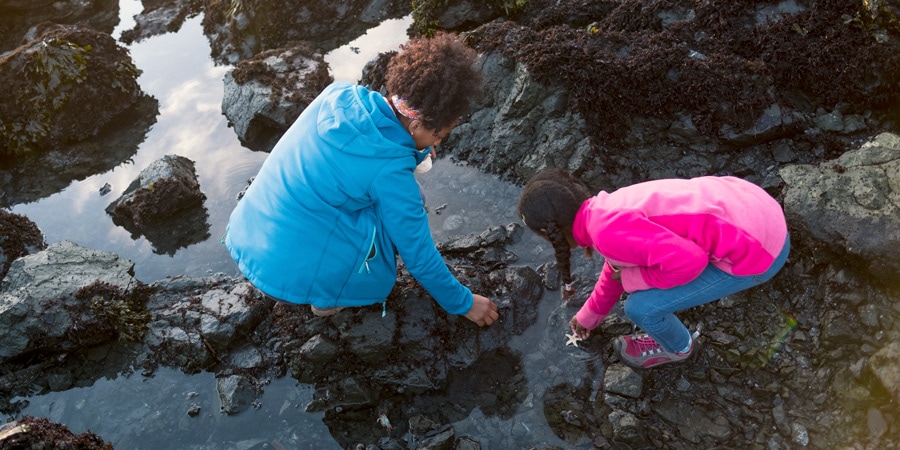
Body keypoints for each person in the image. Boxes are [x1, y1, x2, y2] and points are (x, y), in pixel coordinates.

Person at [223, 32, 499, 327]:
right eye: (440, 135)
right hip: (283, 278)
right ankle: (327, 299)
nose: (439, 143)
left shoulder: (338, 94)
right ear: (417, 124)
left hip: (246, 236)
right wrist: (464, 303)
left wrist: (416, 147)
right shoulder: (390, 175)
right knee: (387, 258)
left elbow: (376, 146)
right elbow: (418, 256)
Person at [517, 168, 790, 368]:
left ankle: (679, 347)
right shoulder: (605, 209)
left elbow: (691, 263)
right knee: (653, 272)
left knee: (639, 308)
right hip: (758, 207)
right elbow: (616, 267)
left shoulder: (606, 235)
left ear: (549, 232)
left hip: (762, 254)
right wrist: (590, 315)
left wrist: (634, 278)